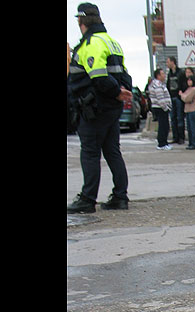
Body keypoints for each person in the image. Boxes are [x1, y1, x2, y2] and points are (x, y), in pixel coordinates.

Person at [67, 2, 132, 213]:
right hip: (111, 108)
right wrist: (121, 93)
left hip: (95, 109)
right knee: (112, 151)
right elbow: (124, 74)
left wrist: (115, 92)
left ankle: (87, 199)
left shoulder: (91, 44)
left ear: (80, 20)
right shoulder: (111, 42)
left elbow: (99, 77)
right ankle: (120, 196)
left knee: (90, 153)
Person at [148, 68, 172, 150]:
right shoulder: (157, 85)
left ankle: (164, 142)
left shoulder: (159, 84)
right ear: (158, 76)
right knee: (163, 126)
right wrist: (166, 107)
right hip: (160, 108)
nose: (164, 75)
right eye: (162, 74)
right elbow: (160, 98)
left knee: (165, 126)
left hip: (161, 108)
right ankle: (162, 143)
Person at [166, 56, 187, 144]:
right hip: (172, 97)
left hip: (178, 98)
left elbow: (183, 84)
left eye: (168, 62)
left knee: (180, 117)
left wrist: (181, 94)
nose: (167, 64)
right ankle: (175, 137)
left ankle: (181, 137)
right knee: (173, 118)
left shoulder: (180, 72)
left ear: (172, 62)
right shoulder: (169, 73)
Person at [179, 75, 195, 150]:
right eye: (188, 80)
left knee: (193, 128)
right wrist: (183, 95)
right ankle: (191, 143)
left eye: (190, 80)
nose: (189, 82)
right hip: (188, 111)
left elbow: (187, 98)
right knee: (189, 128)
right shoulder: (188, 89)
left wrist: (182, 95)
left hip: (193, 111)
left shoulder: (194, 89)